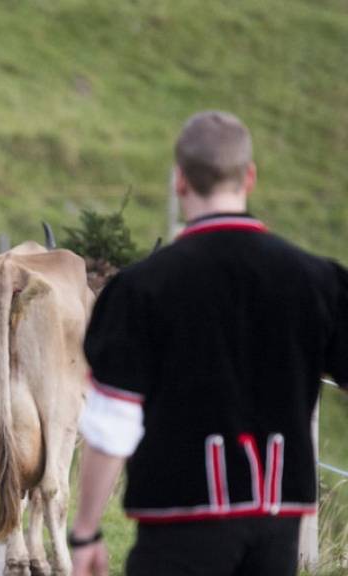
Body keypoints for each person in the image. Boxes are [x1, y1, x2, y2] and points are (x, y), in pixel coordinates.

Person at [69, 111, 348, 576]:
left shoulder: (142, 289)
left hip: (178, 525)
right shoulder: (316, 281)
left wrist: (86, 530)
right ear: (250, 177)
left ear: (180, 181)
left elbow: (111, 423)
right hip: (276, 525)